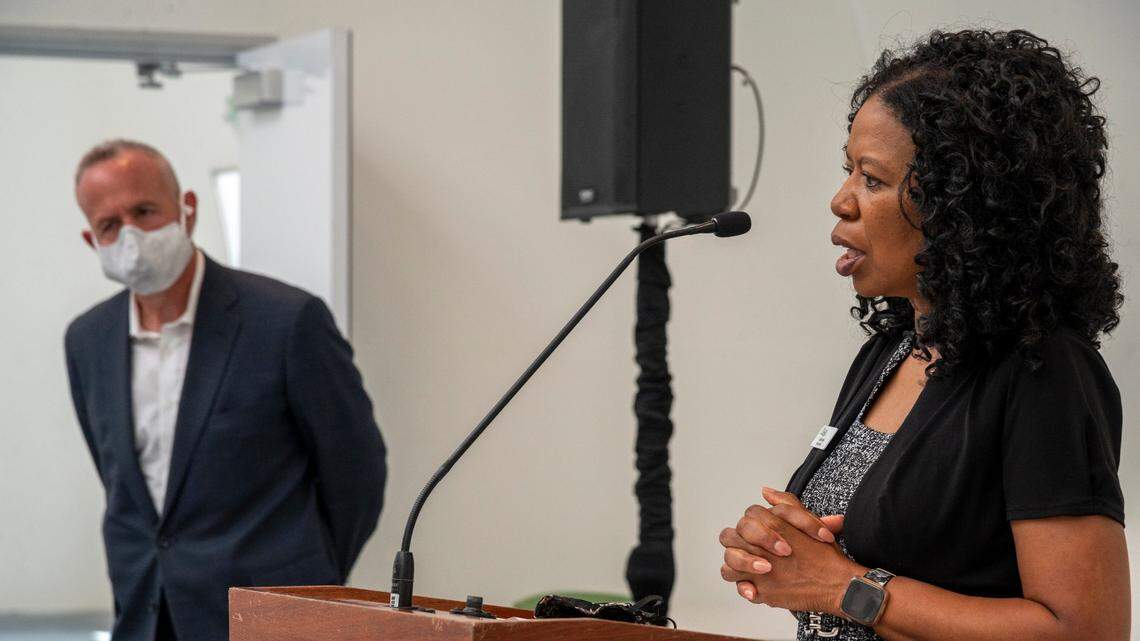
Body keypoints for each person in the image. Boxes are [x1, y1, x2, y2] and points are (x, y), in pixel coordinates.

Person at [717, 30, 1129, 640]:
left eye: (873, 180)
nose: (841, 201)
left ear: (964, 203)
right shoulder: (889, 355)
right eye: (847, 172)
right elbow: (855, 559)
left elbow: (1084, 631)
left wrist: (839, 588)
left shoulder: (1043, 372)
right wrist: (781, 550)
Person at [65, 139, 387, 641]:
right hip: (147, 615)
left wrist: (310, 587)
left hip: (270, 618)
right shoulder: (88, 341)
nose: (130, 234)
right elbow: (122, 483)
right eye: (110, 224)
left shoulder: (285, 321)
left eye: (145, 211)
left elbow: (357, 470)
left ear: (186, 209)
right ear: (92, 241)